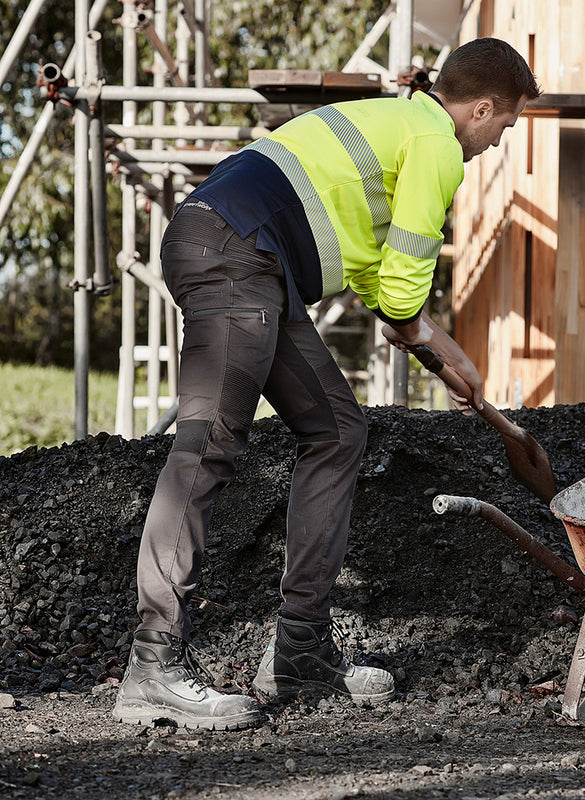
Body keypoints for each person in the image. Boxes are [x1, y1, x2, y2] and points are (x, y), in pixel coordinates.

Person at [113, 36, 540, 730]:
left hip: (245, 256)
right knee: (207, 446)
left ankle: (299, 652)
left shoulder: (395, 122)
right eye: (505, 126)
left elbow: (376, 271)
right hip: (234, 254)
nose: (497, 143)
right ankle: (153, 666)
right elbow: (402, 293)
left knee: (340, 429)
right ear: (484, 108)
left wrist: (443, 354)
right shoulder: (435, 142)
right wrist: (429, 342)